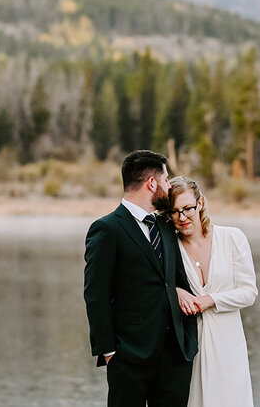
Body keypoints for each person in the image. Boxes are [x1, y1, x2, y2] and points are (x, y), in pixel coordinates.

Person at [83, 150, 199, 407]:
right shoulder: (107, 229)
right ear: (152, 183)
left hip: (174, 357)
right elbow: (96, 295)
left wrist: (187, 341)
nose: (169, 186)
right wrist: (110, 352)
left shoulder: (166, 227)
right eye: (166, 180)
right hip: (129, 358)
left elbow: (177, 280)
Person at [168, 176, 258, 407]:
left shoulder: (232, 238)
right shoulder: (170, 248)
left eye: (187, 208)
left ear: (201, 203)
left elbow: (249, 292)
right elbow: (155, 284)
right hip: (190, 348)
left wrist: (211, 300)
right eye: (175, 211)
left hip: (228, 344)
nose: (182, 217)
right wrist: (175, 291)